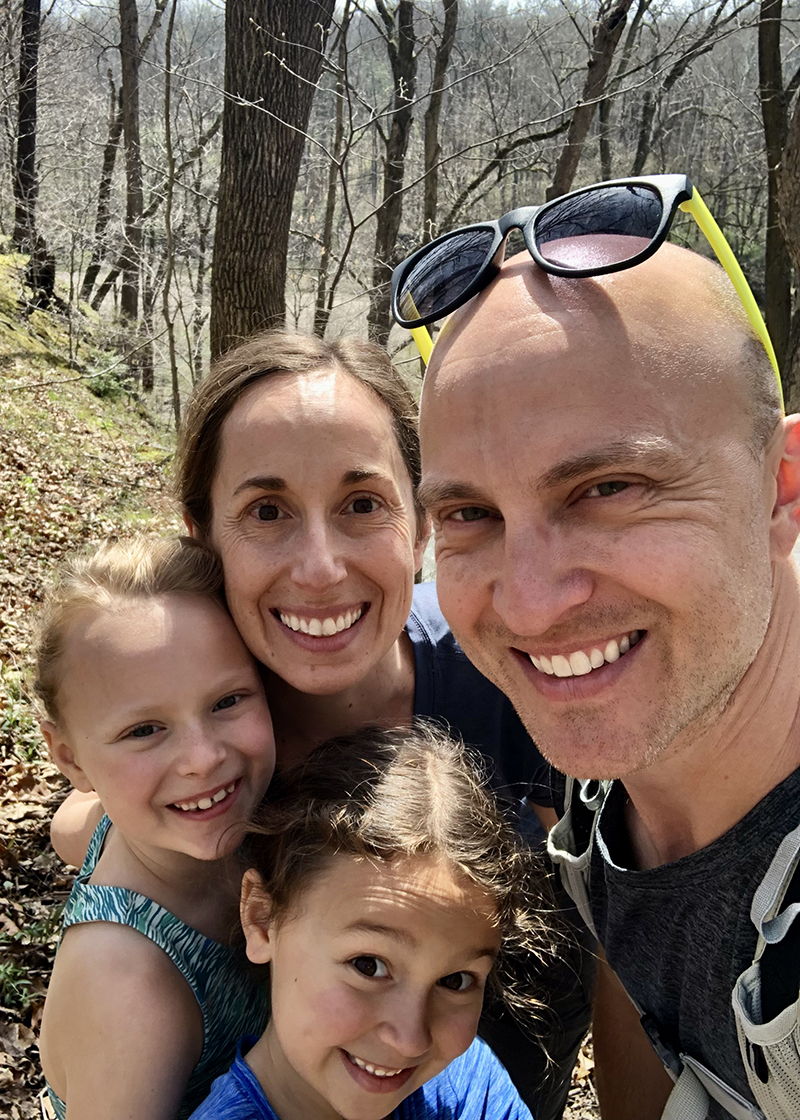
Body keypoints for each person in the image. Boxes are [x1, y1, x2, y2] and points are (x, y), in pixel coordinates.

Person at [410, 207, 800, 1120]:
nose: (532, 602)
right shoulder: (612, 796)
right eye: (469, 515)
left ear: (780, 488)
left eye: (609, 489)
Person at [174, 329, 594, 1117]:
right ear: (204, 537)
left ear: (424, 525)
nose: (321, 567)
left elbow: (633, 943)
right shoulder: (189, 753)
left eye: (362, 504)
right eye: (267, 511)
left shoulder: (522, 673)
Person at [189, 723, 551, 1120]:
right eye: (369, 965)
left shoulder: (463, 1085)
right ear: (261, 919)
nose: (410, 1040)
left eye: (455, 981)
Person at [36, 536, 277, 1120]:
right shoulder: (131, 994)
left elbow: (69, 826)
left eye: (228, 701)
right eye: (144, 730)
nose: (201, 758)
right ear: (71, 760)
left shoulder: (115, 814)